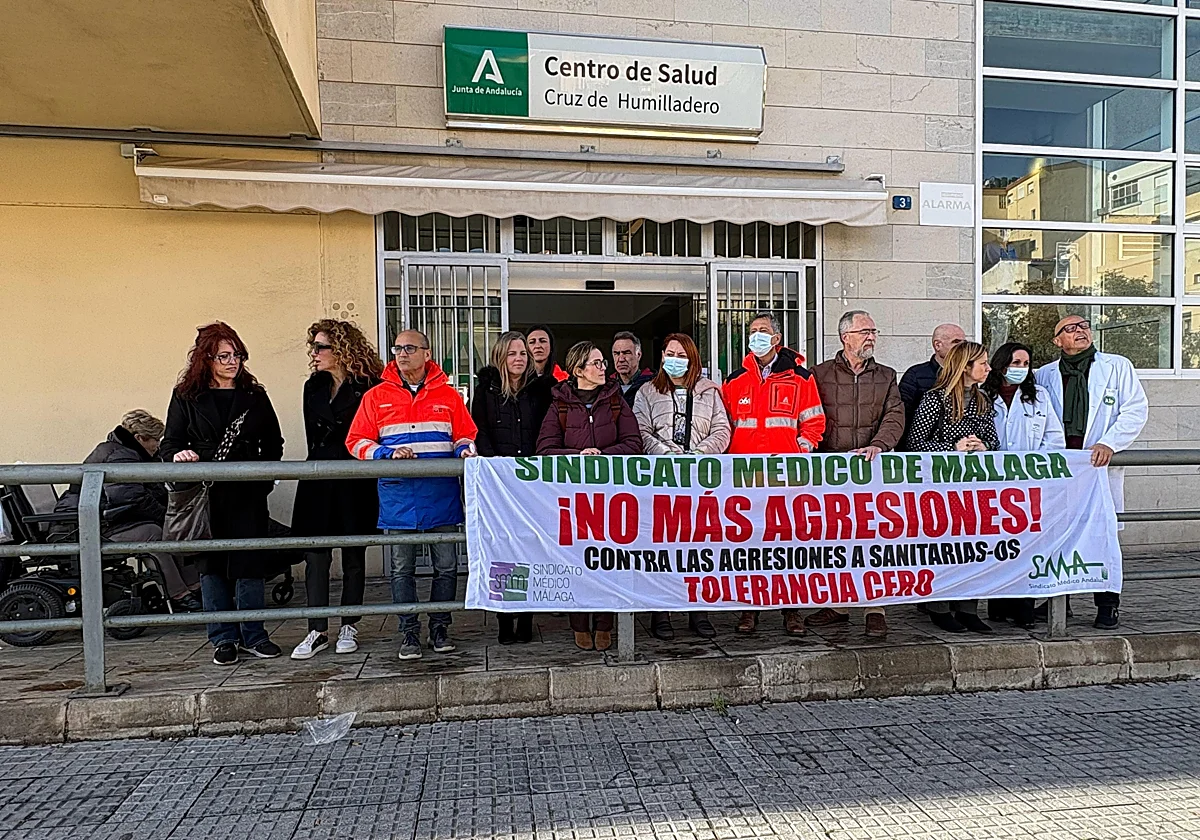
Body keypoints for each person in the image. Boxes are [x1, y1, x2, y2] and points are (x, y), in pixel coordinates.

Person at [347, 329, 476, 661]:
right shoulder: (375, 397)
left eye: (409, 348)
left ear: (427, 353)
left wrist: (465, 450)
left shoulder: (449, 396)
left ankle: (440, 627)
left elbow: (465, 434)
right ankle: (408, 633)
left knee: (446, 567)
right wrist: (384, 455)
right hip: (398, 498)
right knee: (401, 570)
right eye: (397, 348)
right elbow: (356, 441)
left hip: (441, 496)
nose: (401, 354)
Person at [161, 323, 285, 665]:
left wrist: (263, 481)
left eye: (238, 355)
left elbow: (273, 444)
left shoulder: (254, 395)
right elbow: (169, 442)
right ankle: (223, 639)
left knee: (249, 565)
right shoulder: (187, 396)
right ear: (206, 359)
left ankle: (254, 635)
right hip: (207, 496)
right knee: (212, 568)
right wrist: (180, 455)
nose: (233, 362)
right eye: (224, 356)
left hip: (247, 494)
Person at [1035, 315, 1148, 629]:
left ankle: (1107, 604)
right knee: (1060, 533)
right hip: (1062, 468)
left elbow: (1135, 409)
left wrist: (1109, 443)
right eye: (1070, 329)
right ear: (1058, 341)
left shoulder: (1117, 366)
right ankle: (1060, 602)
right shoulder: (1044, 375)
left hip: (1098, 465)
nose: (1080, 331)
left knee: (1103, 535)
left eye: (1083, 325)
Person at [722, 312, 825, 637]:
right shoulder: (735, 379)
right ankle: (748, 608)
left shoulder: (800, 377)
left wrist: (800, 453)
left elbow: (814, 422)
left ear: (777, 339)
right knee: (748, 545)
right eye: (752, 332)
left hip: (786, 479)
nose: (756, 337)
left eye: (763, 331)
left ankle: (791, 610)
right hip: (745, 479)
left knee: (787, 546)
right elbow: (725, 427)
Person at [537, 341, 643, 652]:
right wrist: (578, 455)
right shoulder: (559, 405)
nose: (603, 368)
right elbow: (545, 449)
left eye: (602, 363)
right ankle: (580, 623)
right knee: (577, 561)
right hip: (574, 501)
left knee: (610, 560)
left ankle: (606, 623)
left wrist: (604, 455)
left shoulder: (615, 401)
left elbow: (633, 443)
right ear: (579, 370)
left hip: (612, 499)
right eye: (596, 363)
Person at [289, 320, 384, 661]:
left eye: (321, 347)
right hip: (318, 477)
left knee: (353, 555)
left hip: (354, 476)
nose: (314, 353)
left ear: (341, 350)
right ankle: (316, 629)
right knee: (316, 556)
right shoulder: (312, 386)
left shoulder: (369, 386)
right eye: (313, 346)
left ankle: (349, 624)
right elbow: (312, 436)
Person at [808, 311, 905, 639]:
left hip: (871, 474)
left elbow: (895, 416)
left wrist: (879, 445)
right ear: (845, 336)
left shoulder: (887, 376)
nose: (872, 337)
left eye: (874, 331)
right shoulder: (818, 374)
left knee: (872, 541)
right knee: (835, 541)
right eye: (865, 331)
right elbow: (808, 416)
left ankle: (875, 608)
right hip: (830, 473)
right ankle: (839, 604)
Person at [632, 333, 731, 641]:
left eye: (681, 354)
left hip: (699, 482)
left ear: (692, 359)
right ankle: (661, 613)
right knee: (662, 550)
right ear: (662, 356)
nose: (674, 359)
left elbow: (722, 429)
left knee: (698, 549)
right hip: (661, 480)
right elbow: (641, 430)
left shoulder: (709, 392)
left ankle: (698, 612)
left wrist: (699, 454)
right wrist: (666, 453)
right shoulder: (647, 391)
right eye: (669, 352)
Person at [54, 410, 202, 613]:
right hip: (90, 526)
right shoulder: (120, 457)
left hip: (102, 521)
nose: (158, 446)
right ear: (140, 438)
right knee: (154, 535)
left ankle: (193, 587)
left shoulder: (122, 452)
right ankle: (180, 595)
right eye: (155, 440)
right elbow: (133, 498)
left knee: (166, 530)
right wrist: (166, 516)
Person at [907, 341, 998, 635]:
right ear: (965, 366)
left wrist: (984, 446)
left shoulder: (983, 399)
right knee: (942, 548)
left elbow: (994, 440)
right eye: (982, 363)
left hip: (973, 486)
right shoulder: (935, 399)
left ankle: (969, 608)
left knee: (974, 548)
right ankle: (939, 607)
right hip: (941, 486)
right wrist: (952, 448)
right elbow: (915, 444)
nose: (988, 368)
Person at [472, 331, 554, 645]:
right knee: (503, 551)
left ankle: (526, 618)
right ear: (501, 357)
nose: (519, 358)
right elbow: (479, 431)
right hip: (500, 484)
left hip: (533, 484)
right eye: (513, 353)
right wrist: (498, 467)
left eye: (523, 353)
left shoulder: (541, 389)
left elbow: (547, 430)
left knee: (529, 550)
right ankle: (504, 617)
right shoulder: (486, 389)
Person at [983, 342, 1066, 629]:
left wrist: (1033, 465)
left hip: (1028, 484)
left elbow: (1054, 437)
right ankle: (997, 606)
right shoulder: (983, 395)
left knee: (1026, 546)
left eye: (1025, 363)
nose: (1020, 368)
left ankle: (1023, 609)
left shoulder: (1039, 396)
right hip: (991, 483)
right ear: (1001, 364)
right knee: (997, 547)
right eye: (1015, 363)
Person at [900, 323, 967, 447]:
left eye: (964, 343)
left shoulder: (966, 376)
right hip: (922, 454)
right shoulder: (915, 375)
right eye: (956, 342)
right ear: (938, 345)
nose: (962, 348)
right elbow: (903, 416)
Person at [611, 331, 654, 407]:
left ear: (638, 355)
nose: (621, 359)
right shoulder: (606, 387)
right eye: (616, 353)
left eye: (626, 353)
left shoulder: (653, 385)